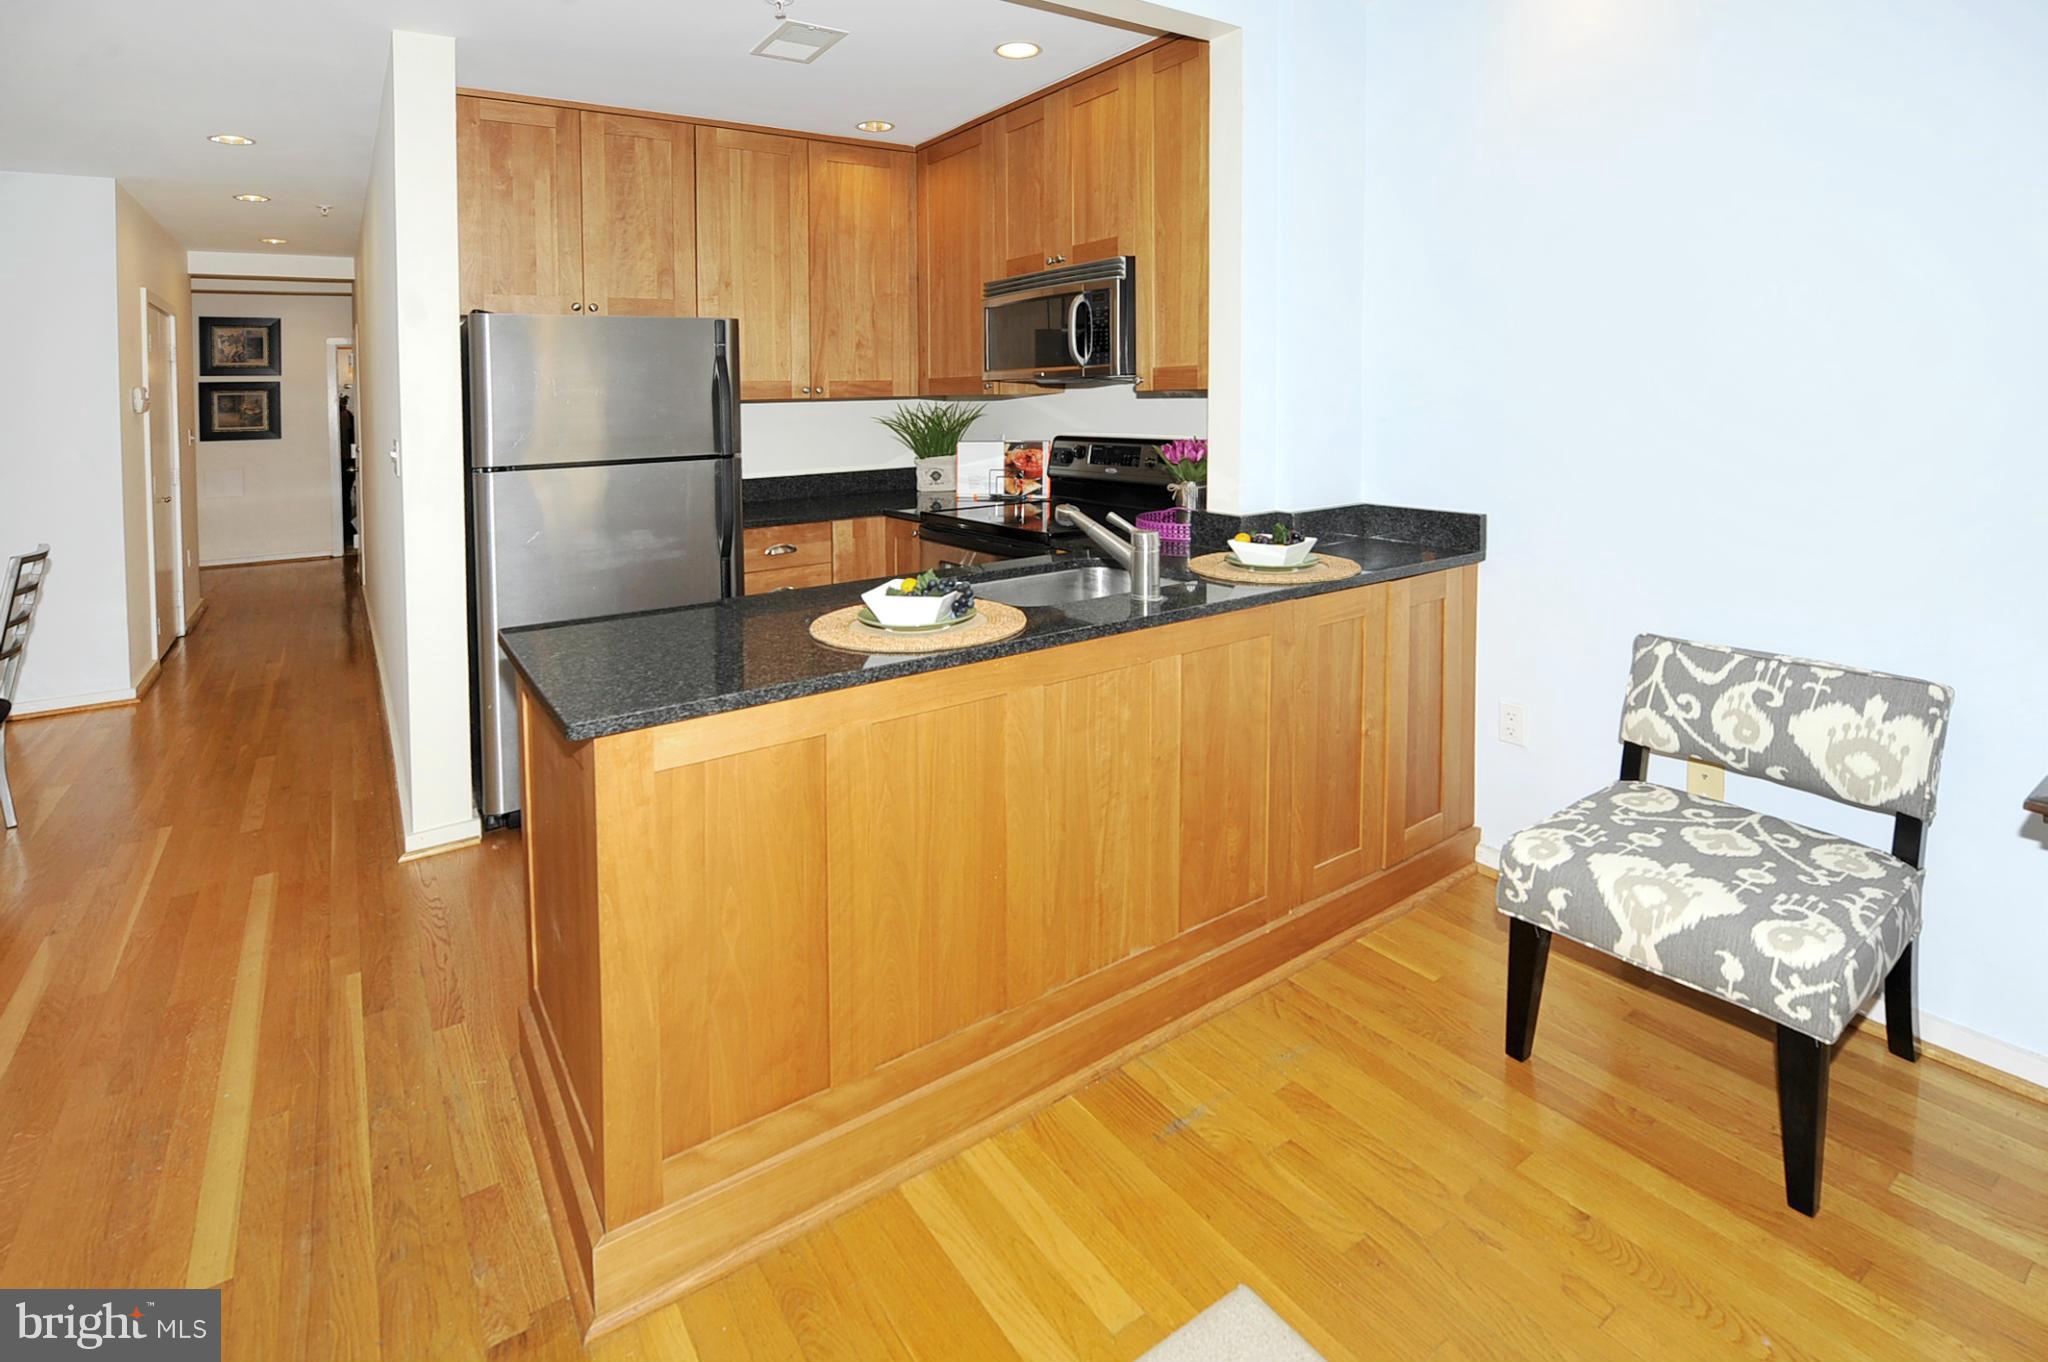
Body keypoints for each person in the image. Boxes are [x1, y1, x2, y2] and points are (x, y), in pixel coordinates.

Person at [338, 393, 357, 548]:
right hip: (346, 462)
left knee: (344, 496)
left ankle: (346, 529)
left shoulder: (344, 416)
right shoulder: (345, 416)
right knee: (344, 497)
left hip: (345, 463)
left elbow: (348, 443)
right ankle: (346, 529)